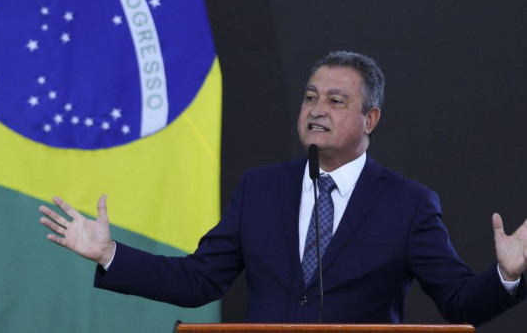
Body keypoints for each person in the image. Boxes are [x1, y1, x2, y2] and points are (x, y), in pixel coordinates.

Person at [39, 50, 527, 324]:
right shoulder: (261, 189)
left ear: (370, 119)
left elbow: (459, 302)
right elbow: (198, 280)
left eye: (336, 100)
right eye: (311, 97)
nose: (316, 109)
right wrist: (110, 254)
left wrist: (506, 275)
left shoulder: (408, 204)